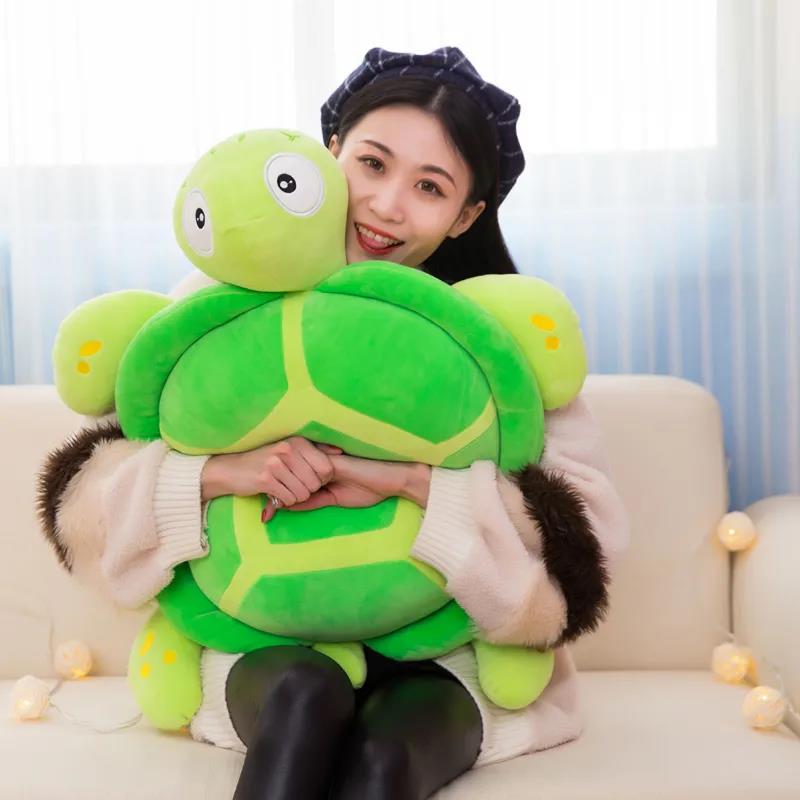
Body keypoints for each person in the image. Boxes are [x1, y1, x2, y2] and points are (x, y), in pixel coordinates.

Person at [36, 47, 629, 800]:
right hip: (268, 639)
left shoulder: (493, 339)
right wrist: (223, 473)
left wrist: (410, 484)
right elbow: (87, 505)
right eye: (372, 165)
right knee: (305, 698)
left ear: (466, 216)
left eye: (430, 186)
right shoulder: (222, 304)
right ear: (330, 154)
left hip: (450, 658)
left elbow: (587, 539)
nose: (386, 205)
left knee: (385, 757)